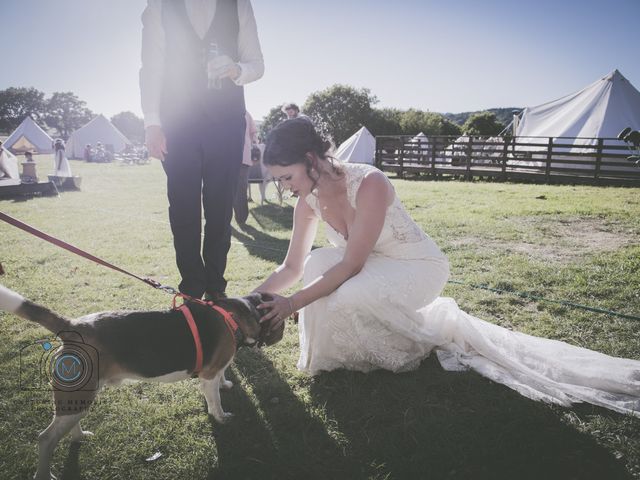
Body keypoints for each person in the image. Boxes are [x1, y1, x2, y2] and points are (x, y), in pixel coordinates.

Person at [254, 118, 640, 417]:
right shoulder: (308, 201)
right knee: (317, 261)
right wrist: (247, 300)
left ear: (310, 160)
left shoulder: (368, 182)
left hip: (416, 266)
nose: (285, 188)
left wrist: (292, 304)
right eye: (279, 181)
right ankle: (348, 355)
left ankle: (413, 344)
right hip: (372, 265)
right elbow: (291, 267)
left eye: (287, 177)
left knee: (346, 287)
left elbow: (353, 263)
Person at [140, 0, 264, 299]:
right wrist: (152, 123)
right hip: (177, 123)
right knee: (183, 209)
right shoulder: (158, 5)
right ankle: (191, 291)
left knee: (220, 210)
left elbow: (257, 64)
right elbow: (151, 64)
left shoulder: (238, 5)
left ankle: (216, 289)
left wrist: (236, 69)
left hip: (226, 124)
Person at [233, 110, 258, 225]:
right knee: (238, 189)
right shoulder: (245, 112)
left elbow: (253, 133)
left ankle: (241, 218)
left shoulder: (246, 113)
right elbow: (253, 133)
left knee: (240, 189)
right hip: (229, 157)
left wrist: (254, 146)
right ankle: (239, 218)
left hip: (243, 156)